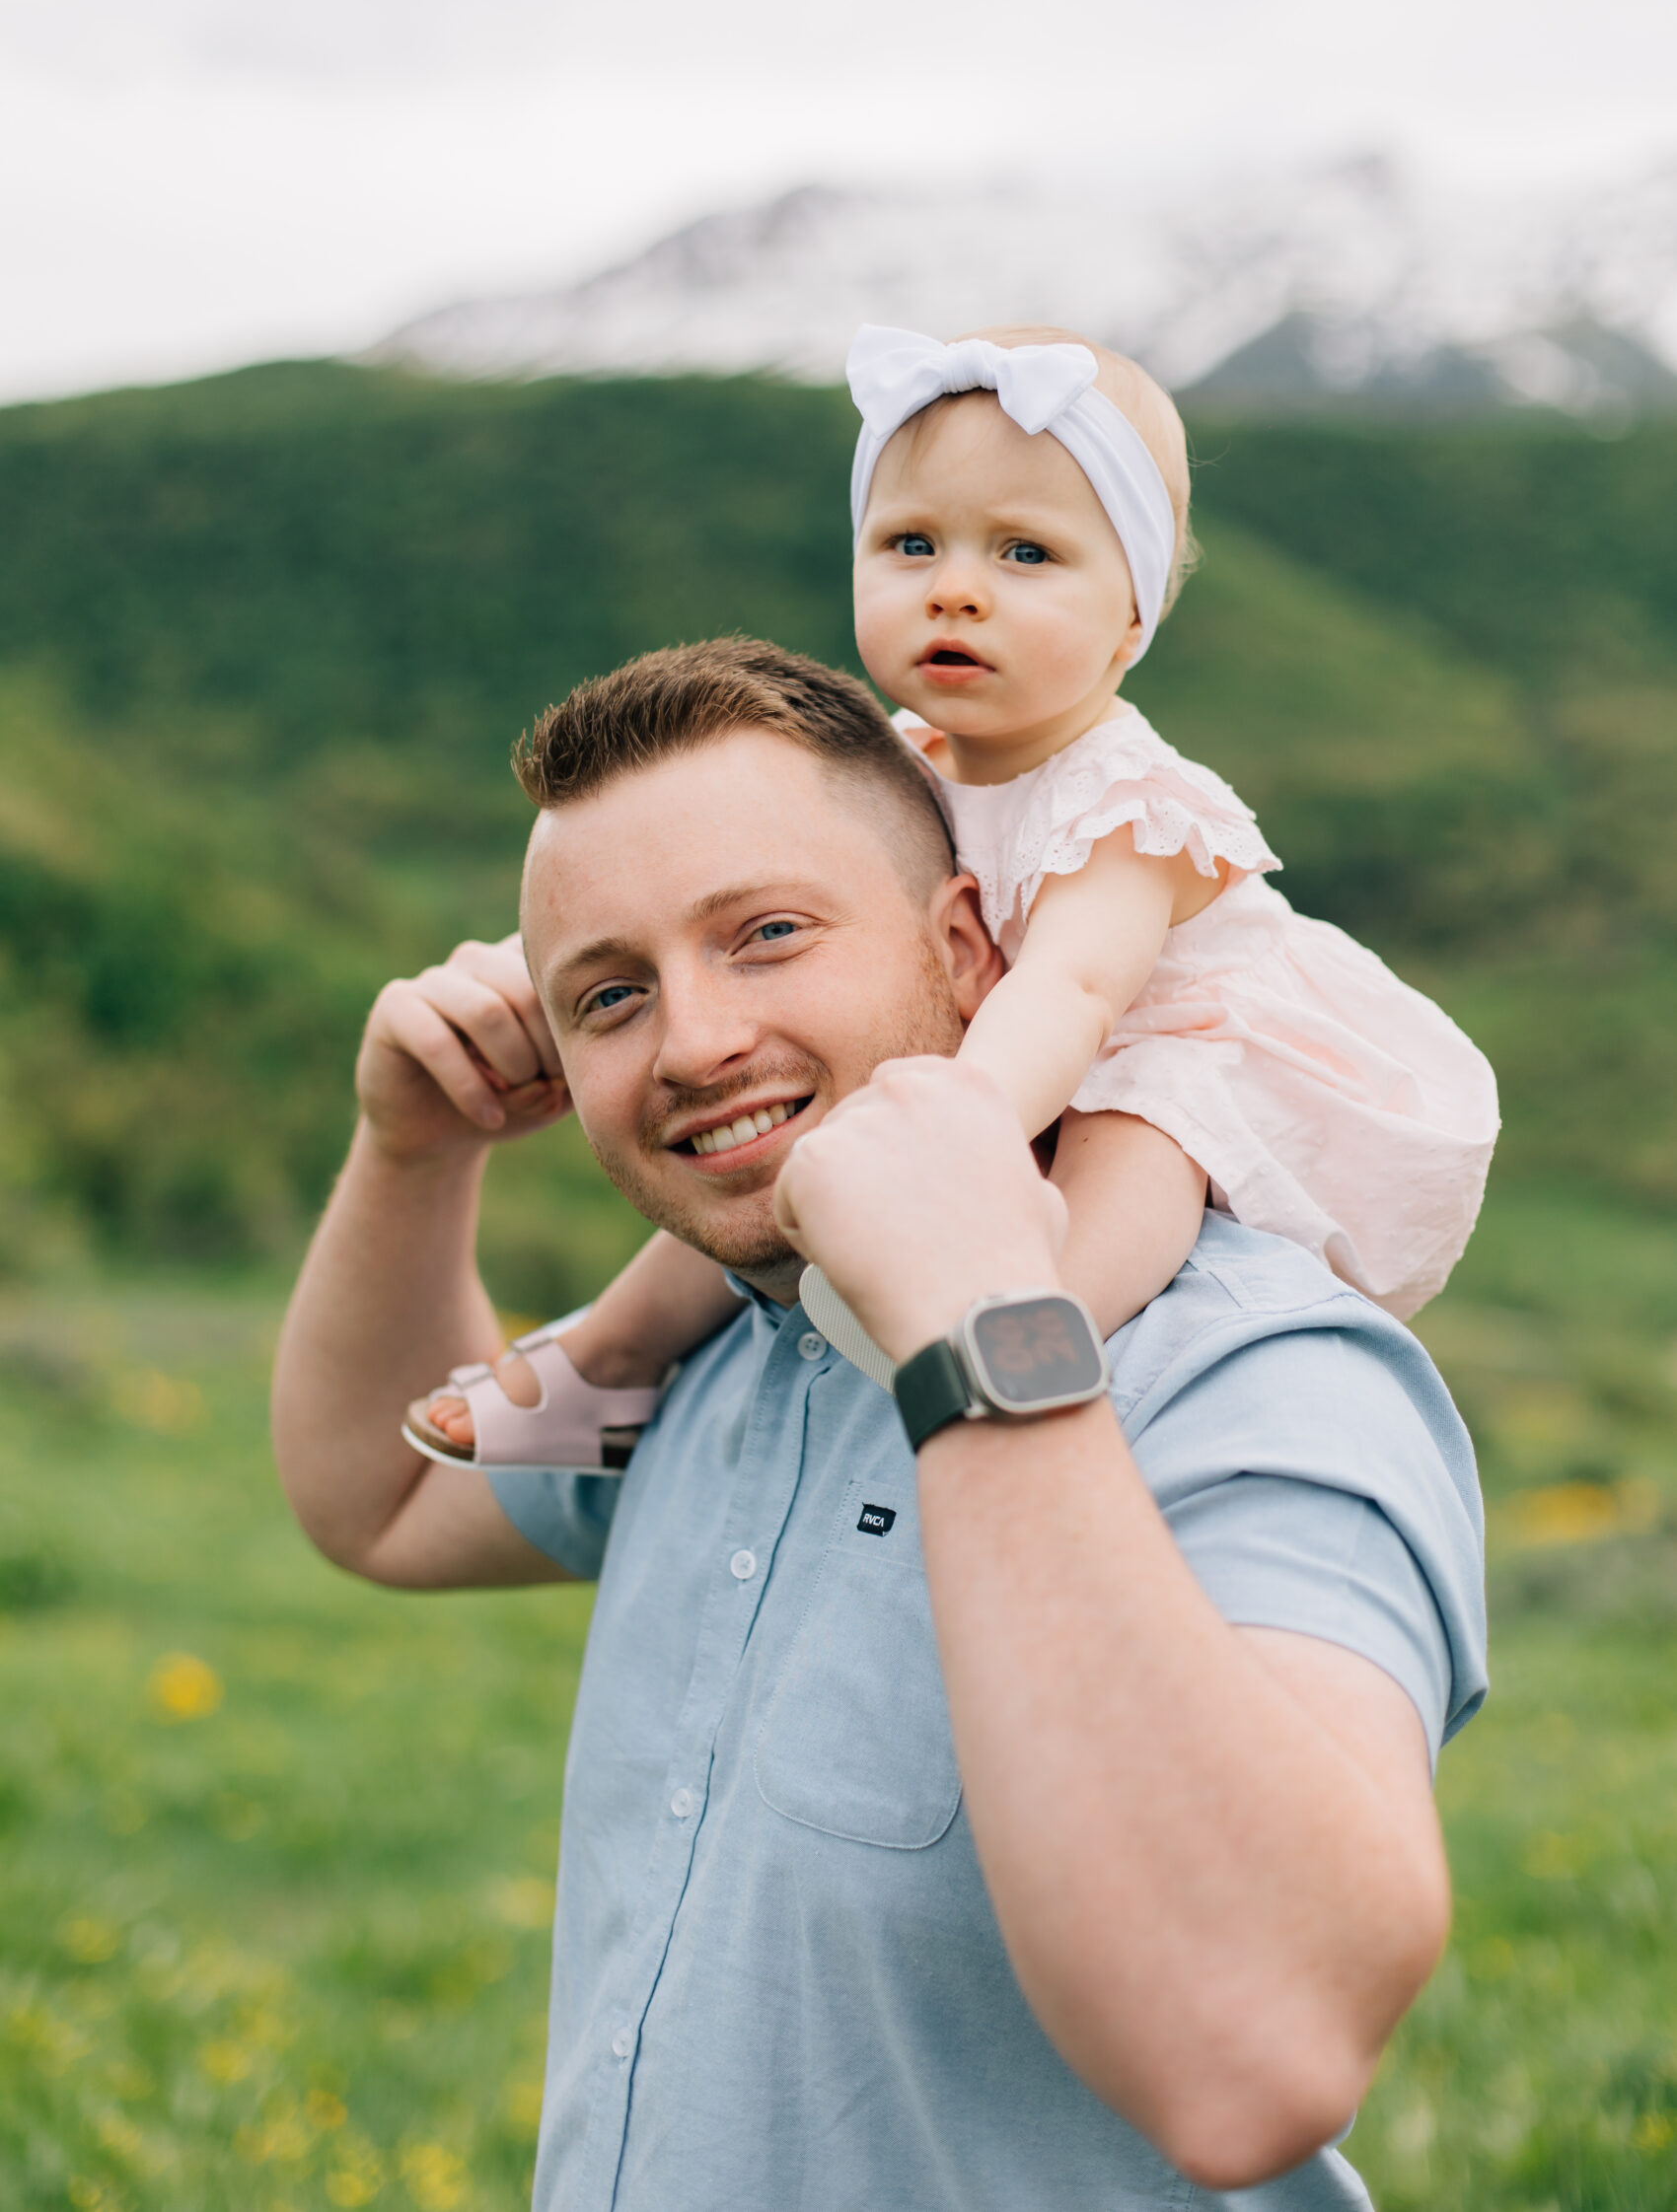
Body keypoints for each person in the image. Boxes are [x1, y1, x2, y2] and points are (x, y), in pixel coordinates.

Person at [272, 638, 1488, 2212]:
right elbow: (378, 1495)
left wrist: (978, 1317)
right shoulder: (736, 1341)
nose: (697, 1040)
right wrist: (411, 1152)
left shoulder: (1258, 1376)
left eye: (768, 935)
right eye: (612, 997)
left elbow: (1258, 2057)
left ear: (972, 946)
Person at [409, 324, 1496, 1468]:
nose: (957, 593)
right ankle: (607, 1367)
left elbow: (1075, 987)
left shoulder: (1124, 801)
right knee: (755, 1156)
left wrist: (952, 1134)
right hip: (999, 1048)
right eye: (911, 545)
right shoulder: (895, 758)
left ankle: (1037, 1326)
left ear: (1130, 619)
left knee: (1142, 1143)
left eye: (1023, 555)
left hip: (1148, 1041)